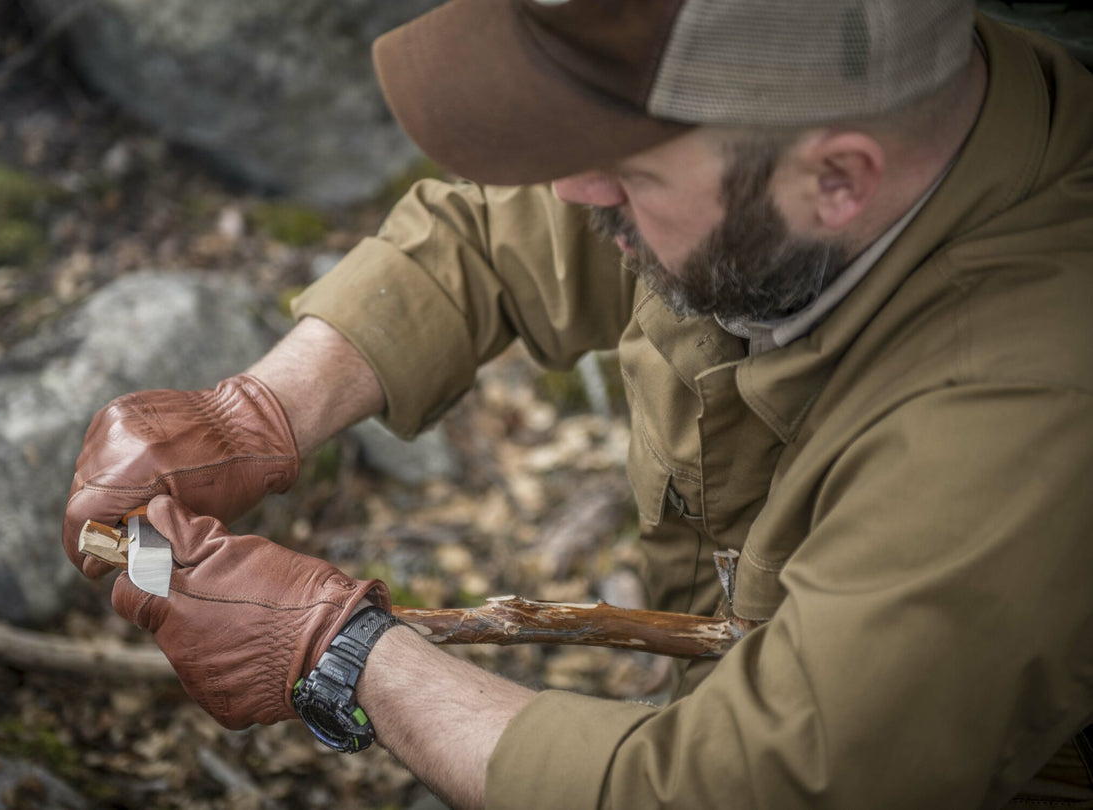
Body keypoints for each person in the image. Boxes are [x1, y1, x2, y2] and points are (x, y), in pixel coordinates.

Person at [62, 0, 1093, 807]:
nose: (566, 187)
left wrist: (349, 660)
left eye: (621, 170)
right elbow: (502, 228)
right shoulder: (779, 173)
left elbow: (743, 790)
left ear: (834, 182)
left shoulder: (1024, 410)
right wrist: (258, 413)